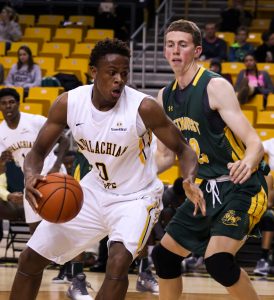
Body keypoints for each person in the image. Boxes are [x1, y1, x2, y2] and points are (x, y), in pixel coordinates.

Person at [8, 38, 204, 300]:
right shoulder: (69, 103)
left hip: (136, 197)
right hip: (94, 190)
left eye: (124, 73)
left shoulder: (143, 107)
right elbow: (37, 152)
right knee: (30, 259)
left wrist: (189, 179)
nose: (119, 79)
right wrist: (31, 175)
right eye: (112, 73)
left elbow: (185, 150)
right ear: (93, 72)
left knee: (117, 262)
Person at [151, 19, 268, 300]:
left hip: (242, 187)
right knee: (164, 256)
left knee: (217, 262)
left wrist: (248, 162)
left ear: (197, 50)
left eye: (183, 44)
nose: (175, 50)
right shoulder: (163, 97)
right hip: (204, 190)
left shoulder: (215, 86)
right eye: (170, 45)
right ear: (164, 52)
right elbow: (165, 156)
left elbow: (255, 143)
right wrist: (128, 177)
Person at [0, 87, 69, 235]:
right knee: (35, 231)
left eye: (11, 102)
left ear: (18, 103)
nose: (8, 106)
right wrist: (2, 162)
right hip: (30, 181)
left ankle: (67, 259)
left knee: (59, 226)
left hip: (52, 174)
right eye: (4, 103)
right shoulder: (1, 132)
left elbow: (64, 140)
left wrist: (57, 166)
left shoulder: (35, 120)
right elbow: (1, 170)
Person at [253, 174, 274, 276]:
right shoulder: (269, 175)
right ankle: (264, 259)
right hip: (264, 208)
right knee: (268, 217)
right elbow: (268, 203)